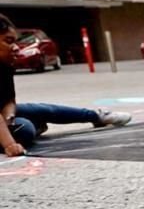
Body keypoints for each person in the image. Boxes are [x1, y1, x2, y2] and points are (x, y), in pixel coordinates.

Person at [0, 13, 131, 158]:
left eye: (15, 42)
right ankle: (35, 125)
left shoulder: (5, 66)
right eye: (8, 41)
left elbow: (9, 100)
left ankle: (96, 117)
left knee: (42, 109)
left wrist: (9, 117)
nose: (16, 48)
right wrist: (9, 145)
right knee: (25, 130)